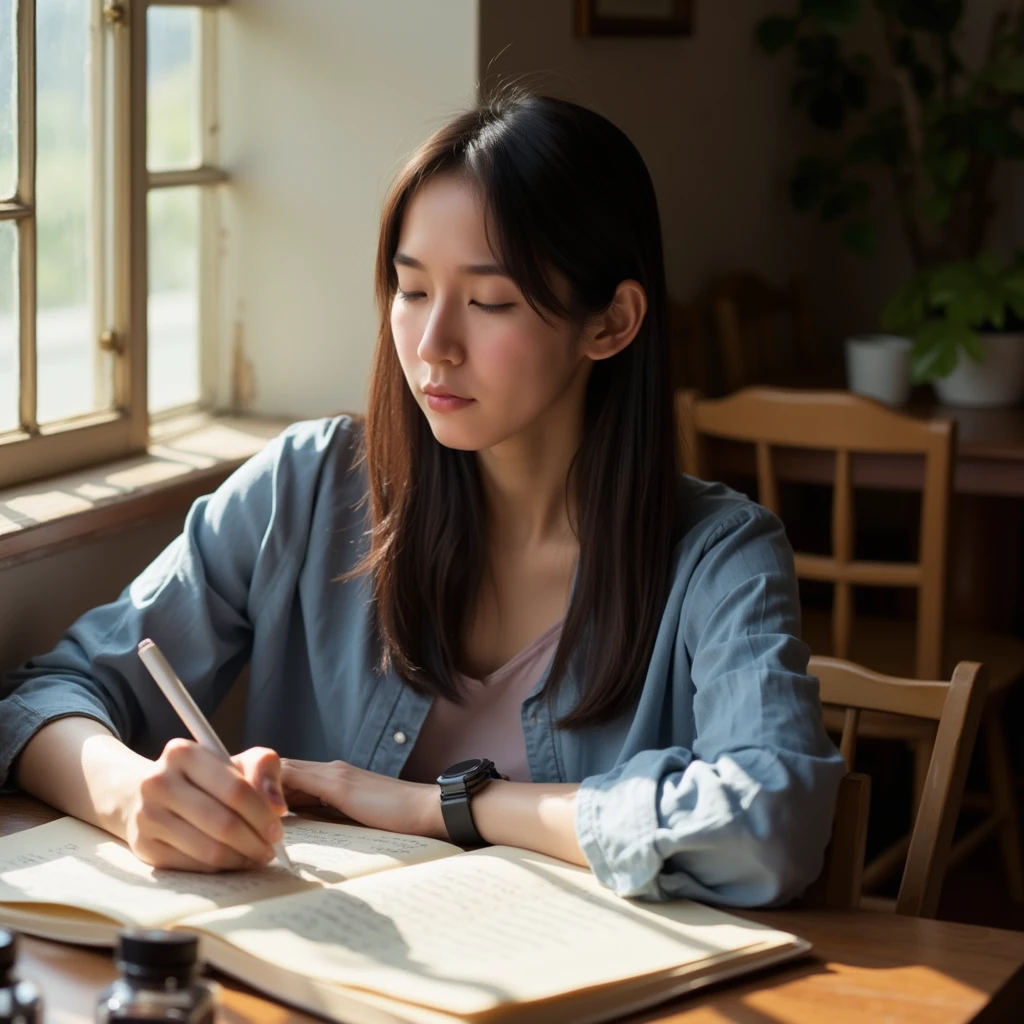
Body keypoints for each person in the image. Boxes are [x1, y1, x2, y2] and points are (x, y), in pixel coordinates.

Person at [0, 92, 844, 907]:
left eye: (488, 301)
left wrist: (440, 807)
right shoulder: (307, 489)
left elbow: (771, 820)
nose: (433, 346)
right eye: (411, 291)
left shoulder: (717, 556)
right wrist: (130, 795)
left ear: (611, 323)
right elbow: (47, 694)